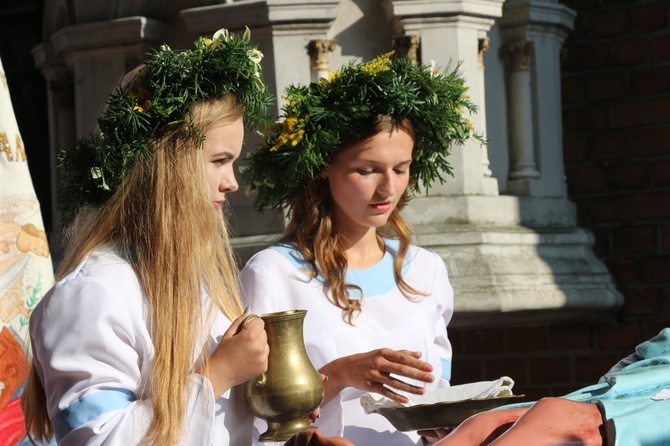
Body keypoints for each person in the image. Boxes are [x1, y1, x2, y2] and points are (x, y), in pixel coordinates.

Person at [21, 28, 278, 445]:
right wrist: (216, 375)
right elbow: (98, 439)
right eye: (218, 161)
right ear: (165, 166)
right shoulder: (94, 293)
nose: (232, 182)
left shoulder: (201, 281)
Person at [239, 52, 484, 446]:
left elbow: (436, 394)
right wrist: (340, 374)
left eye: (400, 169)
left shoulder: (426, 271)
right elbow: (246, 418)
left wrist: (443, 420)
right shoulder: (273, 274)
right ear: (324, 167)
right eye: (367, 170)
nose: (387, 188)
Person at [430, 327, 670, 446]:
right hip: (590, 420)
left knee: (487, 423)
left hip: (586, 415)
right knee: (487, 424)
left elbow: (647, 354)